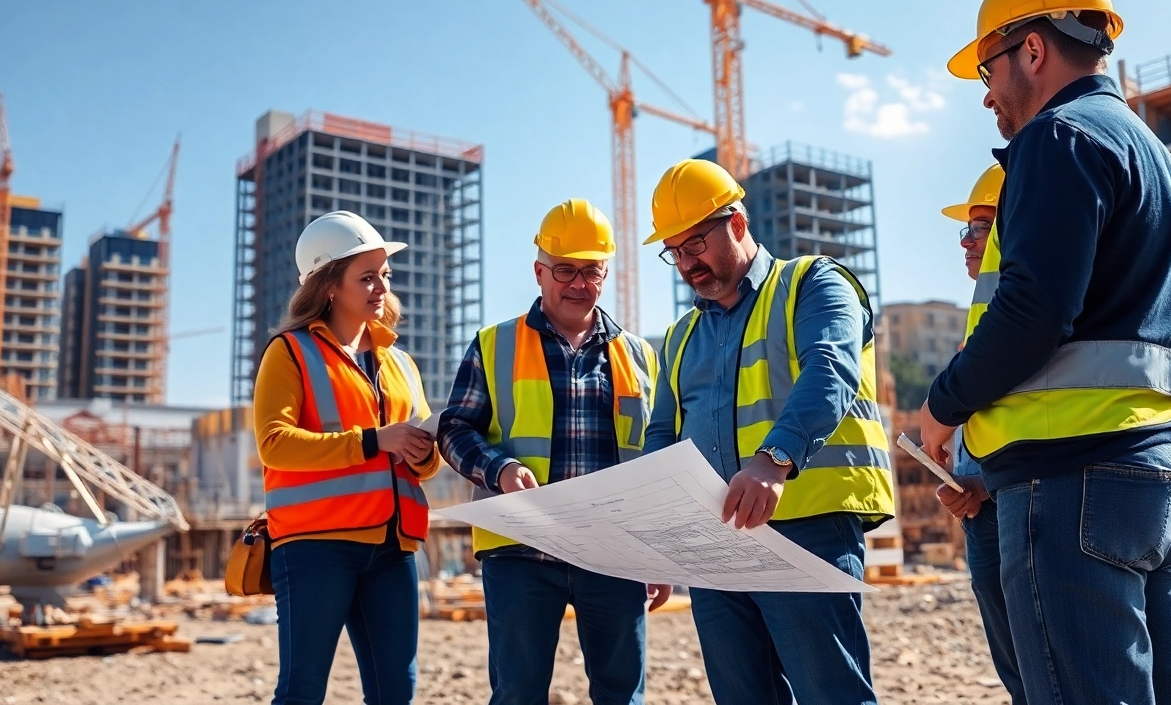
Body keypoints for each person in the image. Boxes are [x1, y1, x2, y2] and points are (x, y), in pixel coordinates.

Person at [919, 0, 1171, 704]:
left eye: (987, 68)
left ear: (1034, 50)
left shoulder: (1060, 137)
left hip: (1074, 483)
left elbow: (1034, 312)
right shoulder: (1166, 168)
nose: (986, 93)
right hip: (1161, 475)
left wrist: (944, 403)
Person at [642, 158, 895, 705]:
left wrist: (774, 458)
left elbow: (831, 367)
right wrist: (658, 535)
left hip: (807, 528)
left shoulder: (812, 283)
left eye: (696, 245)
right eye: (675, 252)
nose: (687, 263)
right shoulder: (681, 334)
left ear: (736, 223)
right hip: (714, 544)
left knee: (831, 694)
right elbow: (662, 432)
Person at [438, 199, 667, 705]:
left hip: (615, 553)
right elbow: (454, 429)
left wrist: (658, 551)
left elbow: (654, 461)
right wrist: (500, 469)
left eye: (592, 271)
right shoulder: (494, 344)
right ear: (539, 271)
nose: (578, 283)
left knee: (622, 695)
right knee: (518, 693)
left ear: (606, 273)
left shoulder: (640, 355)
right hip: (523, 552)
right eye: (565, 269)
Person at [254, 210, 442, 705]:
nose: (381, 286)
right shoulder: (288, 351)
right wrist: (375, 440)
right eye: (367, 277)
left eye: (385, 274)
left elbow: (420, 456)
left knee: (395, 693)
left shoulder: (400, 363)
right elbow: (273, 443)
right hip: (317, 545)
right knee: (302, 691)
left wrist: (423, 451)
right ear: (329, 286)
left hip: (393, 546)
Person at [935, 164, 1025, 704]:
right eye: (966, 229)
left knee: (1045, 664)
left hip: (1016, 502)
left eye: (983, 226)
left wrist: (985, 483)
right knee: (1019, 667)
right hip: (986, 509)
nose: (969, 240)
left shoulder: (1022, 313)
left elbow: (1042, 422)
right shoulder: (982, 316)